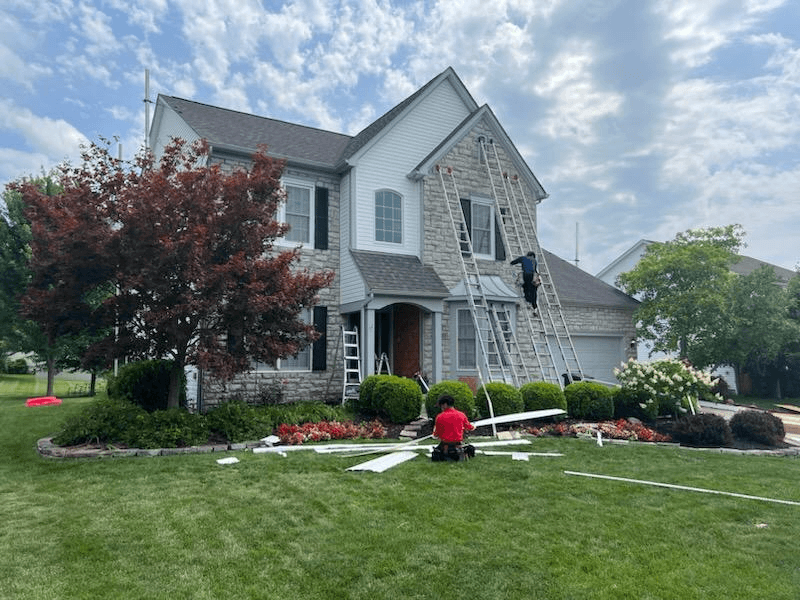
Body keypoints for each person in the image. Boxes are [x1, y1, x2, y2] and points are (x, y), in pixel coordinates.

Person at [432, 394, 475, 461]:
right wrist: (473, 426)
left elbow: (436, 435)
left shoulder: (439, 417)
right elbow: (470, 428)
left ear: (445, 404)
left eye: (441, 405)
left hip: (445, 449)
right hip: (458, 447)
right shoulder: (461, 415)